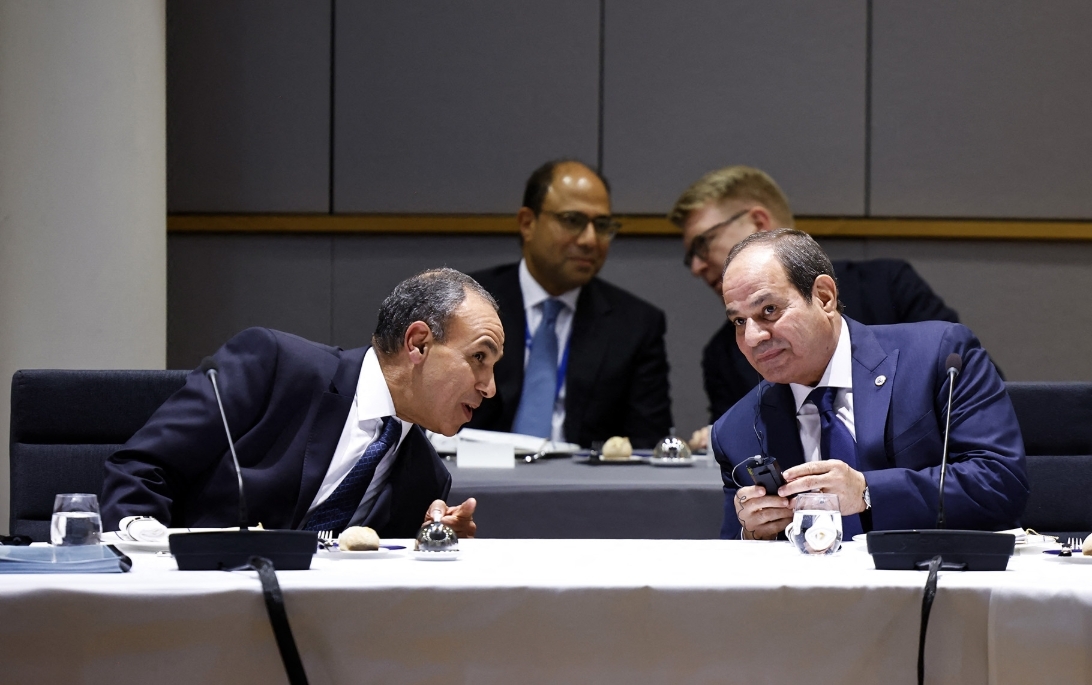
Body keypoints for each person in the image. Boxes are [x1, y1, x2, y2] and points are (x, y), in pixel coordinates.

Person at [101, 268, 501, 538]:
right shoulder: (275, 366)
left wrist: (427, 544)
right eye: (479, 357)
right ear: (418, 343)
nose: (490, 387)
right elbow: (143, 469)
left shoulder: (427, 479)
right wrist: (148, 566)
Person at [711, 229, 1027, 540]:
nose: (752, 338)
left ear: (824, 297)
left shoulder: (938, 357)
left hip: (931, 583)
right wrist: (752, 535)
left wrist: (867, 492)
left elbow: (1000, 485)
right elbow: (733, 571)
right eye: (739, 321)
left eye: (769, 310)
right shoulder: (736, 431)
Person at [668, 165, 961, 435]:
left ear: (825, 298)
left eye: (702, 244)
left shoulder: (888, 287)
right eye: (741, 321)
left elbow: (963, 397)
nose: (696, 267)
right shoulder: (725, 352)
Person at [467, 159, 672, 448]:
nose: (590, 240)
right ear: (527, 223)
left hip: (581, 488)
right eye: (572, 221)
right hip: (476, 481)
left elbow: (647, 444)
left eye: (601, 225)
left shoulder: (636, 324)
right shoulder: (466, 303)